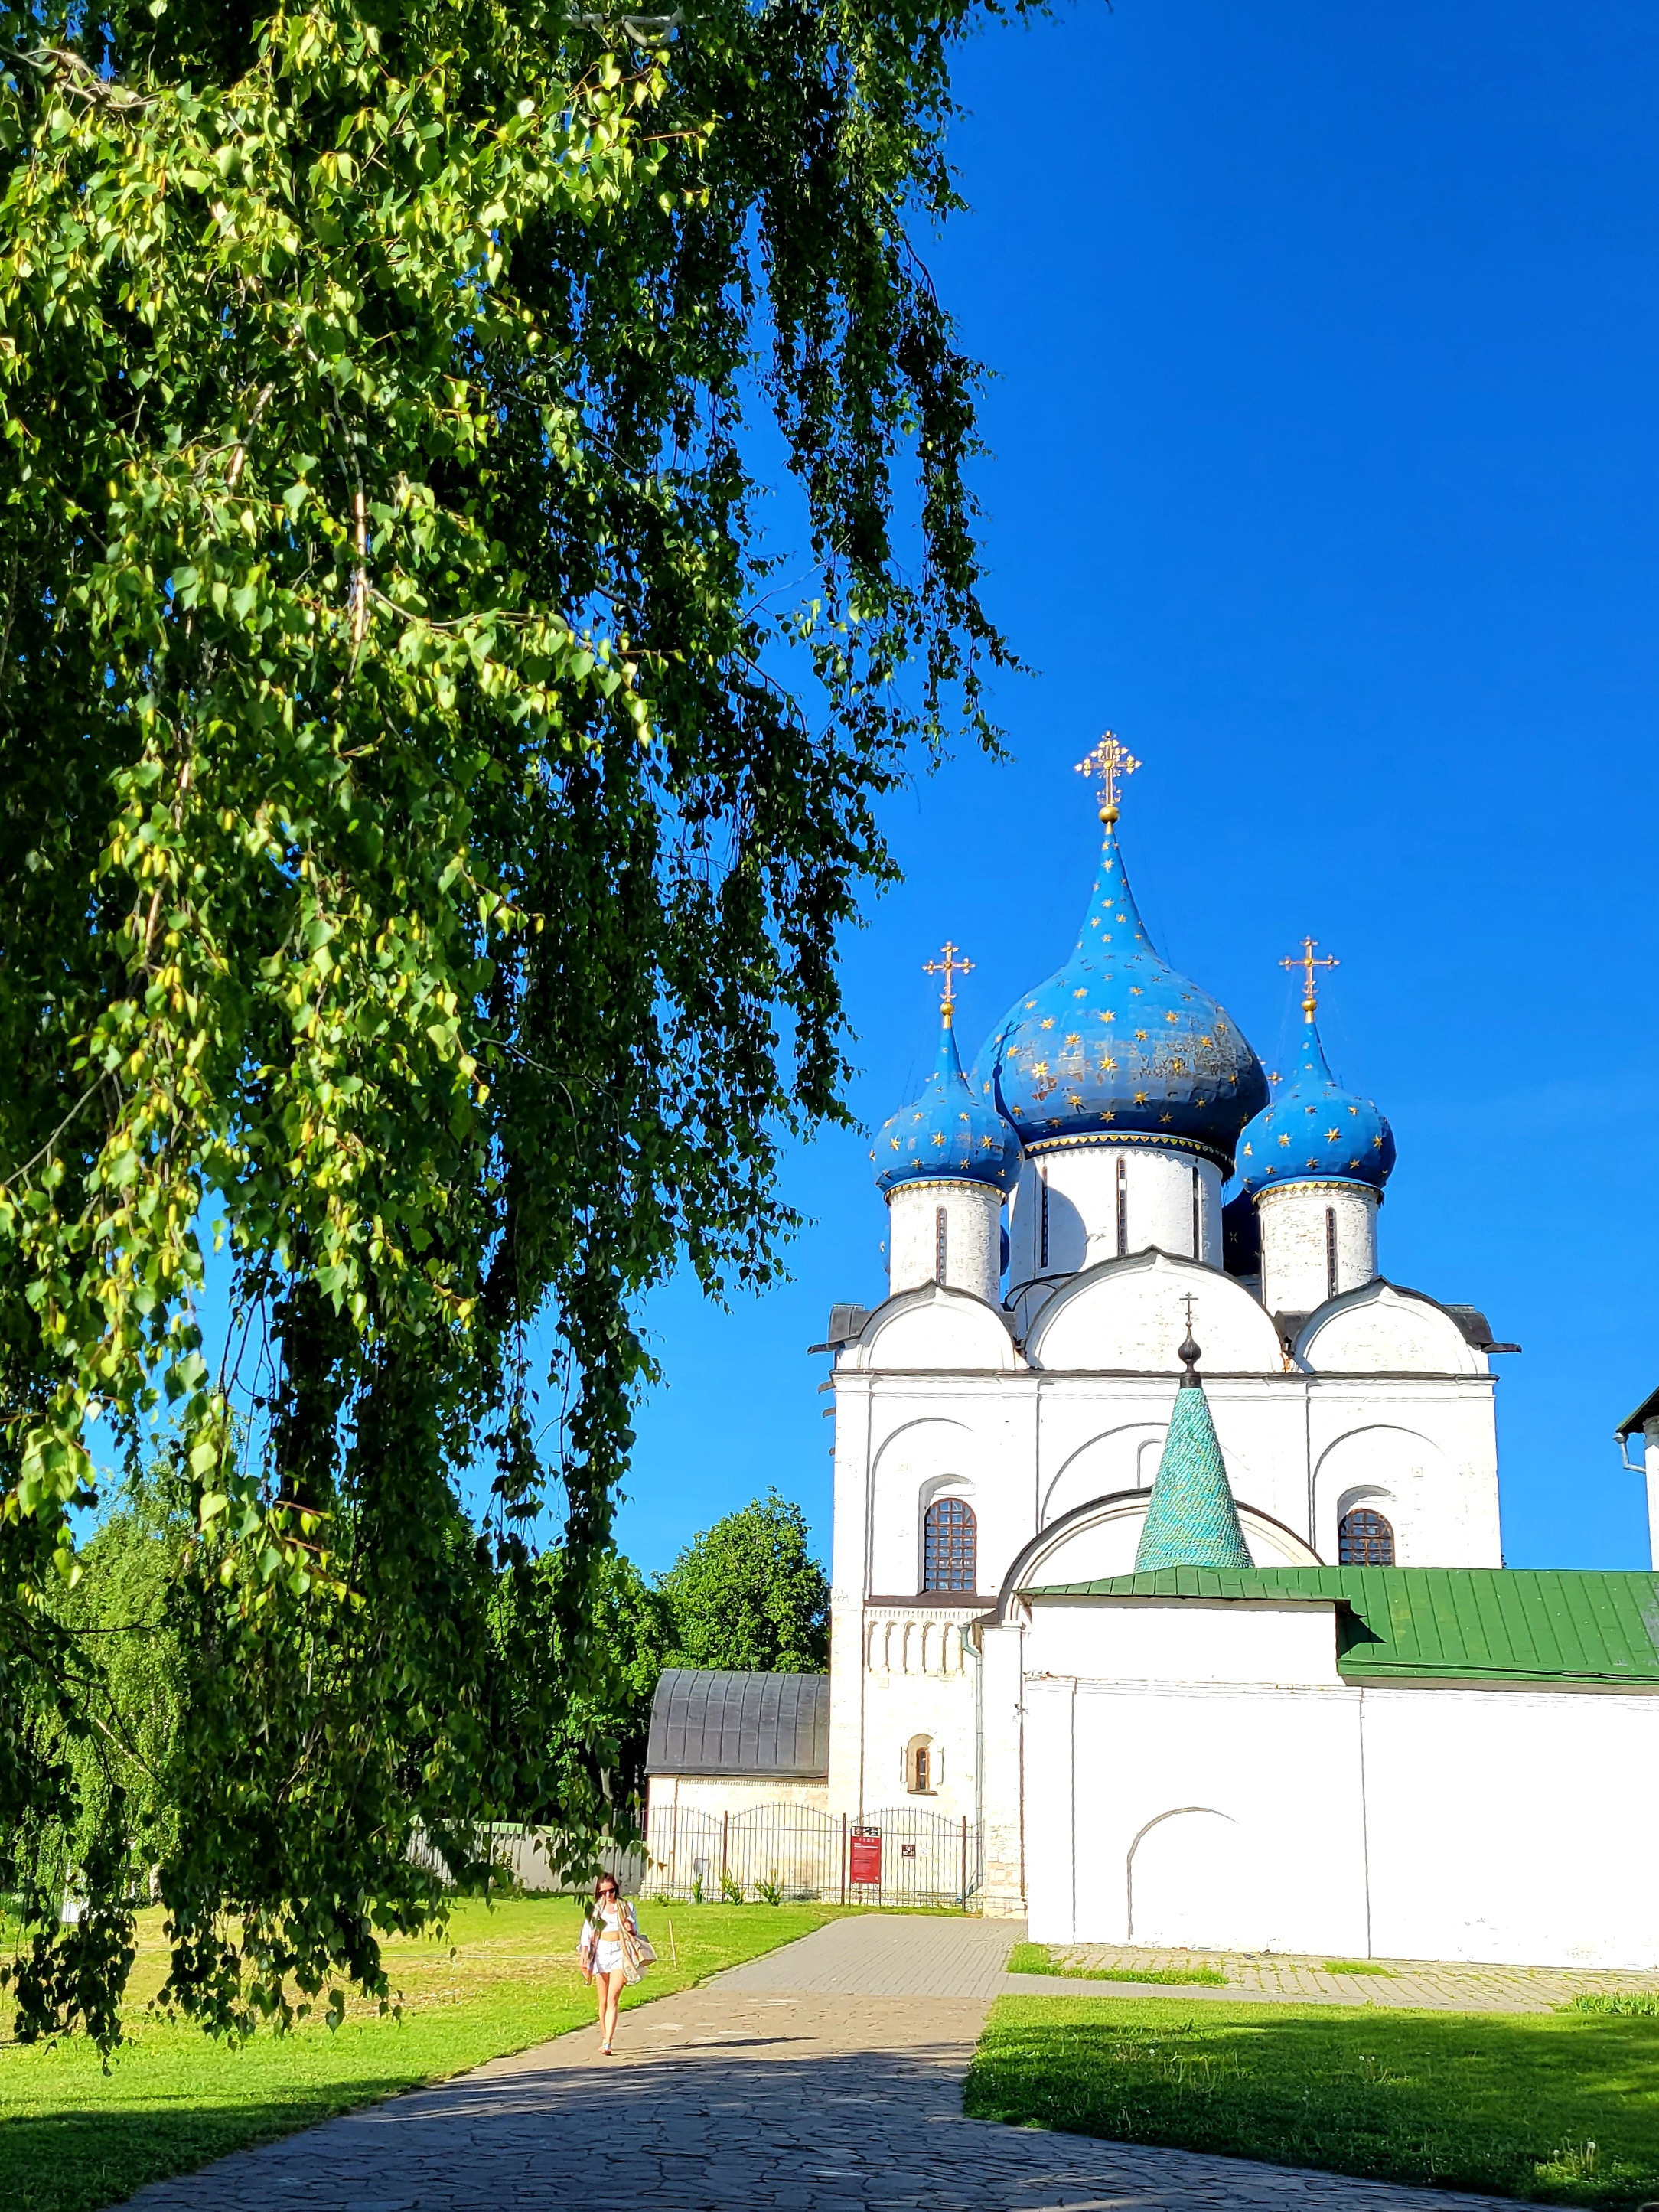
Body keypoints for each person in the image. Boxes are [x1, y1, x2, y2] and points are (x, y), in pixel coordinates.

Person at [578, 1873, 641, 2055]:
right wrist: (584, 1950)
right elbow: (586, 1933)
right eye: (603, 1892)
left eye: (611, 1891)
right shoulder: (595, 1910)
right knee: (603, 2000)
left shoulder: (626, 1907)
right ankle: (604, 2037)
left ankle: (608, 2041)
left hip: (619, 1953)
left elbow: (635, 1929)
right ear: (598, 1893)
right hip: (601, 1953)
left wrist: (631, 1929)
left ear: (616, 1889)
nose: (608, 1895)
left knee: (613, 1997)